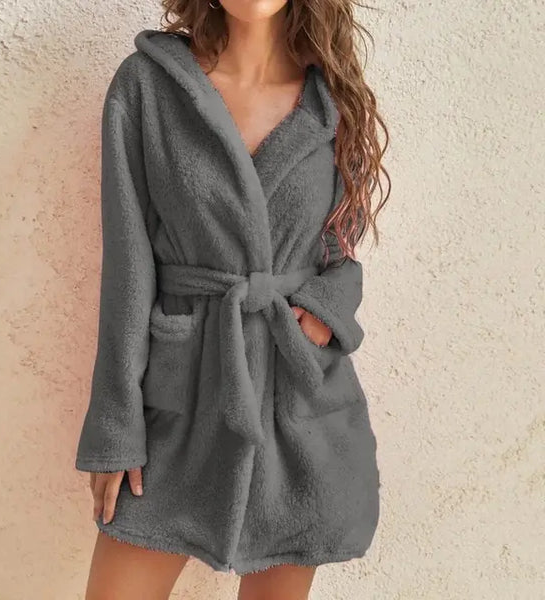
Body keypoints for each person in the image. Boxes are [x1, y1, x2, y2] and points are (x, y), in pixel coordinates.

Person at [75, 1, 390, 598]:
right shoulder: (148, 86)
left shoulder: (332, 98)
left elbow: (340, 246)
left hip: (296, 403)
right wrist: (116, 425)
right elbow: (127, 266)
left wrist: (326, 308)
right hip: (180, 397)